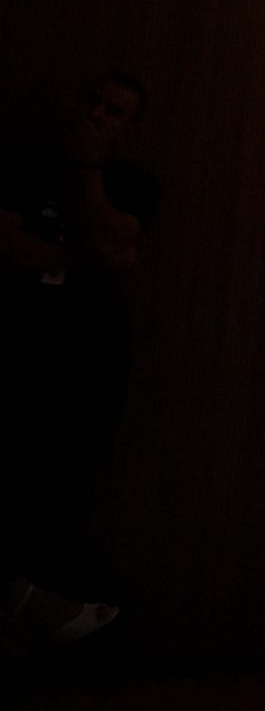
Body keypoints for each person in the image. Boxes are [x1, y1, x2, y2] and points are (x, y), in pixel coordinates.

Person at [1, 72, 157, 647]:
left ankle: (48, 606)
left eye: (113, 111)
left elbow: (111, 240)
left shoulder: (132, 183)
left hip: (87, 355)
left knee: (68, 477)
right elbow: (9, 244)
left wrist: (89, 168)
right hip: (18, 342)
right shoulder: (22, 165)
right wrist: (87, 254)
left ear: (128, 128)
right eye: (93, 102)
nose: (96, 115)